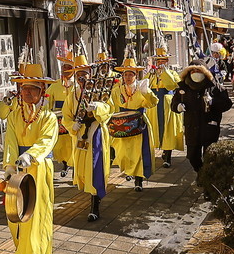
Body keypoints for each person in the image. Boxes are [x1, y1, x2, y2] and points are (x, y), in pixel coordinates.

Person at [0, 63, 58, 254]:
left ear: (42, 91)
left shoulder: (48, 117)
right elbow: (10, 142)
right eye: (24, 89)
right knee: (16, 214)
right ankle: (28, 253)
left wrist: (29, 157)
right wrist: (10, 166)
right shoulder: (14, 116)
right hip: (19, 171)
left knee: (38, 216)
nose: (27, 93)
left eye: (33, 89)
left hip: (38, 169)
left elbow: (46, 142)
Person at [63, 54, 113, 222]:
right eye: (78, 75)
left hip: (95, 131)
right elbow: (66, 116)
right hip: (80, 135)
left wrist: (97, 107)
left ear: (90, 75)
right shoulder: (72, 95)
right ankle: (91, 196)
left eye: (84, 73)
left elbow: (109, 109)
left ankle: (95, 206)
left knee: (95, 168)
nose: (81, 77)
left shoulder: (100, 91)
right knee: (84, 169)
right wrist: (72, 126)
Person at [107, 58, 157, 191]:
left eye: (131, 74)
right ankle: (128, 171)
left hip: (138, 122)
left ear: (136, 75)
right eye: (125, 74)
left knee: (138, 153)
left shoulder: (141, 88)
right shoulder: (118, 89)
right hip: (122, 123)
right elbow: (111, 104)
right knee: (123, 152)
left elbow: (152, 103)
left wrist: (147, 93)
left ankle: (138, 181)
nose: (128, 77)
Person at [172, 65, 233, 172]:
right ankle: (200, 173)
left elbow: (227, 103)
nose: (196, 73)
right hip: (192, 127)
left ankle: (207, 177)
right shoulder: (183, 87)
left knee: (209, 155)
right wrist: (178, 107)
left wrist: (213, 102)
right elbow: (174, 104)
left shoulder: (214, 86)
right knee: (192, 156)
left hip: (209, 126)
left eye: (198, 71)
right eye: (193, 71)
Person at [148, 49, 184, 167]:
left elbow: (172, 85)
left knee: (168, 129)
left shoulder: (172, 73)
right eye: (158, 61)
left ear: (167, 61)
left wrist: (164, 73)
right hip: (154, 105)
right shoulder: (151, 74)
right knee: (153, 129)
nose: (160, 64)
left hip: (167, 104)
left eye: (163, 61)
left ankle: (167, 156)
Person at [44, 60, 75, 177]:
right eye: (64, 67)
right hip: (60, 120)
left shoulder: (78, 85)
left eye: (69, 67)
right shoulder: (55, 85)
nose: (66, 69)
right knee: (61, 145)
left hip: (74, 119)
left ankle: (76, 167)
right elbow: (47, 101)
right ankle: (65, 164)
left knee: (74, 143)